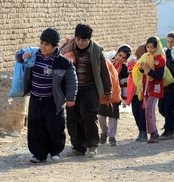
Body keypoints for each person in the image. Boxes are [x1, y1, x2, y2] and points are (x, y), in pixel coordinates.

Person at [15, 27, 78, 163]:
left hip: (53, 101)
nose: (43, 46)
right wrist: (22, 56)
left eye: (47, 44)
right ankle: (39, 154)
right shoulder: (33, 55)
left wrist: (70, 98)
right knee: (35, 126)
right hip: (35, 99)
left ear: (55, 46)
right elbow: (18, 55)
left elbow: (72, 81)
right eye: (41, 43)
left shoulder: (63, 62)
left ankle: (55, 150)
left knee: (55, 126)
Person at [61, 24, 112, 157]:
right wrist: (63, 51)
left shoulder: (96, 51)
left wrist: (108, 91)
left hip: (90, 87)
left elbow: (104, 72)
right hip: (72, 89)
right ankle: (78, 146)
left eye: (84, 40)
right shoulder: (69, 49)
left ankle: (92, 146)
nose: (81, 43)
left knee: (89, 115)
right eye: (78, 40)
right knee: (73, 117)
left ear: (89, 39)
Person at [133, 36, 166, 143]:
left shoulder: (161, 59)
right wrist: (142, 69)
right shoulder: (146, 57)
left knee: (148, 108)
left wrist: (148, 70)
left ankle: (154, 133)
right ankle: (152, 133)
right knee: (148, 110)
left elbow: (159, 76)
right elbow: (143, 73)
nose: (150, 49)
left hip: (155, 88)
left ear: (156, 48)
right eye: (148, 47)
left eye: (152, 47)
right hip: (146, 88)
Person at [98, 45, 131, 146]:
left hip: (116, 95)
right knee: (101, 116)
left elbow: (125, 84)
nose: (120, 58)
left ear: (126, 60)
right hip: (103, 94)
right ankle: (104, 132)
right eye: (119, 55)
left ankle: (112, 137)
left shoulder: (124, 69)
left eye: (123, 57)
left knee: (113, 117)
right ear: (117, 53)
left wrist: (124, 98)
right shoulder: (106, 62)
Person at [158, 32, 174, 140]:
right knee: (161, 109)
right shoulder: (165, 53)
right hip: (163, 87)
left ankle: (169, 130)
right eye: (168, 41)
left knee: (168, 109)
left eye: (172, 41)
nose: (170, 44)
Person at [126, 45, 147, 142]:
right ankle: (140, 130)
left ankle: (144, 132)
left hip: (143, 93)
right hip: (134, 94)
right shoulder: (133, 62)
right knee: (136, 113)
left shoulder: (147, 63)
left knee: (143, 114)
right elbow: (129, 71)